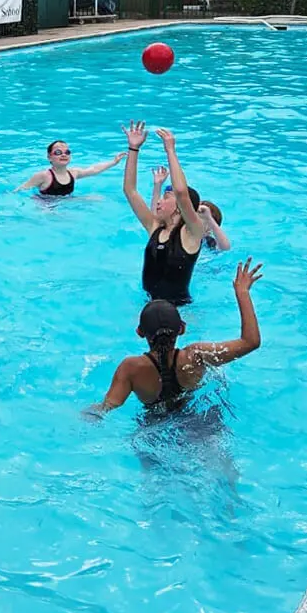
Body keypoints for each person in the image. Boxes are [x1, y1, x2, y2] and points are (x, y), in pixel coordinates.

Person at [84, 258, 263, 416]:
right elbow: (250, 342)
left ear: (140, 332)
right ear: (182, 329)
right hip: (198, 420)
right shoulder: (197, 356)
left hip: (155, 427)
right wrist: (242, 293)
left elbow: (105, 408)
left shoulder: (131, 368)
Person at [123, 121, 206, 305]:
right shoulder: (155, 228)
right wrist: (133, 149)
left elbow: (182, 193)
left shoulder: (192, 233)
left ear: (179, 207)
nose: (159, 201)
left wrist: (170, 150)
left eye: (166, 197)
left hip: (179, 311)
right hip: (147, 304)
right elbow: (130, 190)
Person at [151, 167, 231, 252]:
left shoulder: (208, 243)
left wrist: (209, 219)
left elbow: (225, 248)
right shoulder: (178, 231)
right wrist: (157, 186)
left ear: (209, 229)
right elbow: (156, 217)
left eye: (199, 217)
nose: (193, 219)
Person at [17, 141, 125, 196]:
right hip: (46, 205)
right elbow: (21, 190)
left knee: (96, 198)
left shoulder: (73, 173)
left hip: (66, 201)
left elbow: (93, 170)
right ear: (49, 157)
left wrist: (113, 162)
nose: (63, 155)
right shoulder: (43, 176)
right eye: (58, 152)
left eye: (67, 152)